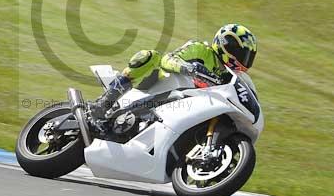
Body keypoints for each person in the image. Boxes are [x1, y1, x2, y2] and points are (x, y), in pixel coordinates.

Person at [89, 23, 258, 129]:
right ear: (225, 45)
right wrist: (188, 68)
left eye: (247, 56)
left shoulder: (230, 76)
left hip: (191, 104)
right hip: (162, 85)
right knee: (151, 56)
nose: (243, 59)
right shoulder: (201, 49)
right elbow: (167, 59)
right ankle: (105, 102)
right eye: (240, 52)